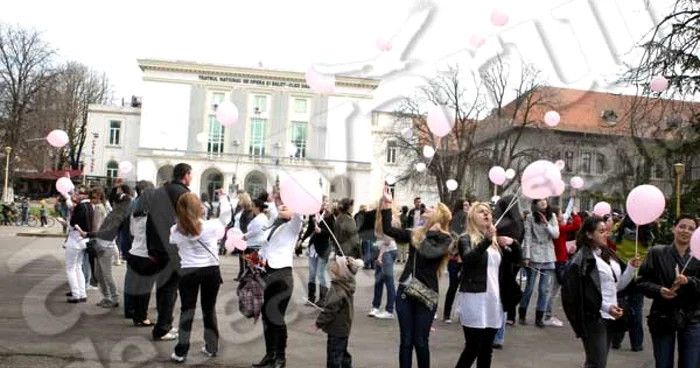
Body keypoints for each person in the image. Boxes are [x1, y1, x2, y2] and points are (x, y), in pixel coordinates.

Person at [379, 193, 452, 368]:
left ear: (440, 216)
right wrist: (387, 205)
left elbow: (430, 253)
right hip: (406, 289)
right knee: (406, 341)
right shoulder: (416, 233)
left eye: (433, 208)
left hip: (426, 292)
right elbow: (389, 230)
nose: (428, 208)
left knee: (420, 342)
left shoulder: (446, 238)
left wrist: (424, 234)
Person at [561, 216, 641, 368]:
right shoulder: (582, 260)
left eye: (606, 231)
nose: (606, 234)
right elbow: (582, 295)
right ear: (589, 234)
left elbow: (617, 286)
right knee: (597, 362)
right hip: (594, 317)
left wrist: (631, 268)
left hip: (611, 315)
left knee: (599, 361)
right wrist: (606, 307)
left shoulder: (608, 253)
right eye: (601, 231)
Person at [455, 202, 521, 367]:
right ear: (472, 217)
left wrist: (513, 243)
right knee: (473, 347)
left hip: (493, 299)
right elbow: (469, 260)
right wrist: (486, 240)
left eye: (488, 212)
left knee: (486, 349)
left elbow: (516, 260)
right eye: (481, 212)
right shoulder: (465, 238)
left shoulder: (495, 242)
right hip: (474, 298)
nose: (486, 214)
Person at [637, 215, 700, 368]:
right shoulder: (657, 253)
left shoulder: (698, 256)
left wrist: (688, 281)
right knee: (663, 363)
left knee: (690, 364)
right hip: (663, 315)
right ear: (674, 228)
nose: (686, 231)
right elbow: (641, 282)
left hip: (692, 317)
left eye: (691, 229)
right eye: (682, 226)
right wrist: (659, 290)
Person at [169, 193, 224, 363]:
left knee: (187, 311)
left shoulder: (175, 230)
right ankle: (211, 347)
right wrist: (223, 198)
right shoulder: (212, 225)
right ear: (199, 207)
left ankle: (181, 351)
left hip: (188, 271)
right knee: (209, 309)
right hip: (211, 271)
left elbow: (173, 242)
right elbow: (224, 225)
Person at [144, 163, 192, 341]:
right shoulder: (184, 194)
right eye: (190, 174)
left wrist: (150, 247)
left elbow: (150, 221)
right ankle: (163, 327)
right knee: (170, 289)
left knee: (163, 287)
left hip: (157, 247)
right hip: (174, 247)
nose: (191, 178)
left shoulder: (158, 192)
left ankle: (163, 325)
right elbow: (189, 222)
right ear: (185, 175)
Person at [252, 204, 303, 368]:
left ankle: (281, 358)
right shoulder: (273, 226)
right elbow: (266, 248)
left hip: (282, 276)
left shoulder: (293, 227)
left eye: (286, 207)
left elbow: (299, 218)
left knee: (277, 317)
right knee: (266, 317)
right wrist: (258, 260)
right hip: (266, 274)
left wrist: (295, 210)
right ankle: (270, 354)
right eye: (281, 206)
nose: (282, 208)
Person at [315, 256, 364, 368]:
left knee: (334, 356)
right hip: (344, 327)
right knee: (342, 352)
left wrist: (318, 323)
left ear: (340, 272)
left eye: (334, 265)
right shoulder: (347, 284)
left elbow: (330, 310)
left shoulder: (337, 289)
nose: (331, 265)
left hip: (336, 328)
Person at [519, 198, 559, 327]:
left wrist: (546, 223)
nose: (543, 202)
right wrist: (527, 256)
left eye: (545, 200)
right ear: (535, 204)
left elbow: (556, 235)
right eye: (540, 201)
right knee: (529, 287)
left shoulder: (552, 216)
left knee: (544, 289)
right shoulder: (530, 217)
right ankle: (522, 313)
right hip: (534, 254)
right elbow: (528, 236)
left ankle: (539, 317)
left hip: (548, 254)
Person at [491, 195, 524, 348]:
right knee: (504, 295)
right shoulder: (517, 222)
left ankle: (498, 335)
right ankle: (501, 331)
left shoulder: (503, 222)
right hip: (508, 262)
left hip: (503, 261)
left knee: (501, 296)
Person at [545, 205, 582, 327]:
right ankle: (547, 315)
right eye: (561, 213)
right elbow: (577, 226)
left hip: (559, 259)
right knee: (555, 290)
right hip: (560, 261)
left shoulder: (556, 227)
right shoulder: (559, 228)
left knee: (553, 290)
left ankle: (546, 314)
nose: (563, 215)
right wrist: (576, 214)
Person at [368, 196, 398, 320]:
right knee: (378, 280)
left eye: (385, 202)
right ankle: (376, 306)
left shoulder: (392, 217)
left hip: (387, 251)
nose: (382, 205)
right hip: (381, 250)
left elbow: (388, 239)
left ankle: (389, 309)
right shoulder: (379, 217)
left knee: (388, 280)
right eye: (381, 202)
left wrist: (380, 255)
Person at [300, 200, 334, 305]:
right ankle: (311, 298)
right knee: (312, 273)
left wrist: (321, 231)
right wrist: (301, 239)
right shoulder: (313, 214)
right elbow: (310, 229)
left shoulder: (330, 217)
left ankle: (323, 299)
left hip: (323, 248)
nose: (324, 205)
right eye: (322, 203)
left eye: (326, 203)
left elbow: (332, 233)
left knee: (321, 273)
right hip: (313, 247)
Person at [65, 186, 93, 303]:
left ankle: (76, 294)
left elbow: (73, 223)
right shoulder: (90, 206)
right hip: (84, 239)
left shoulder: (80, 207)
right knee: (78, 267)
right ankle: (82, 293)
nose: (78, 195)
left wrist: (65, 222)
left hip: (75, 239)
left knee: (70, 268)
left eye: (81, 193)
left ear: (86, 195)